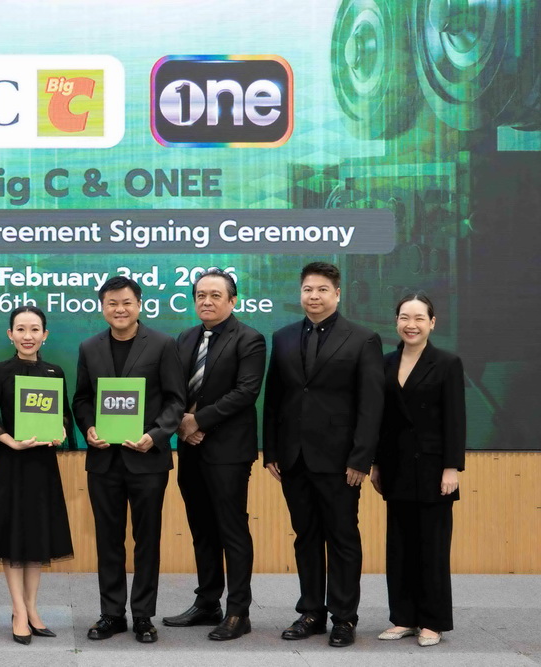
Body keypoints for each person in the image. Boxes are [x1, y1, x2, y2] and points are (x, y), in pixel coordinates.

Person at [262, 262, 384, 648]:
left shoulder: (363, 339)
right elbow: (274, 398)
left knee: (343, 538)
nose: (313, 296)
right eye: (307, 290)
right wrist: (271, 450)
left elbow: (371, 404)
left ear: (337, 294)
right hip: (293, 458)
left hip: (341, 462)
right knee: (306, 537)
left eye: (322, 290)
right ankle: (311, 612)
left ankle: (344, 617)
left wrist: (361, 458)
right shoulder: (282, 337)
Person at [72, 275, 185, 644]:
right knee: (108, 540)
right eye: (112, 303)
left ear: (139, 305)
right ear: (102, 307)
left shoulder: (163, 345)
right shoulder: (89, 347)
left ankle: (143, 616)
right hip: (104, 460)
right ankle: (111, 614)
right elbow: (82, 399)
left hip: (147, 460)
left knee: (146, 540)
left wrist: (155, 435)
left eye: (126, 303)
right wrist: (88, 427)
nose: (119, 309)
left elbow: (176, 400)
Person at [165, 269, 265, 641]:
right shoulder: (186, 337)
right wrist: (181, 422)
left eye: (215, 295)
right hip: (189, 449)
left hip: (228, 452)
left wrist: (199, 420)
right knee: (202, 529)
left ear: (232, 300)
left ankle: (239, 611)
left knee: (232, 530)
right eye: (200, 295)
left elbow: (246, 391)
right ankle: (208, 603)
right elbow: (173, 388)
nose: (206, 301)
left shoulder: (249, 339)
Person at [0, 306, 75, 645]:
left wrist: (60, 429)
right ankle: (18, 610)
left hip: (42, 465)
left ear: (45, 334)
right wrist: (11, 442)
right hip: (10, 463)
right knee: (12, 537)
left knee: (36, 537)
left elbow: (63, 414)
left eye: (34, 329)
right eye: (20, 329)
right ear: (10, 334)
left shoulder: (54, 371)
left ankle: (32, 608)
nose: (27, 336)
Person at [372, 293, 465, 647]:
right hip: (395, 467)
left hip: (433, 468)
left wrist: (451, 468)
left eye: (419, 318)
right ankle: (403, 618)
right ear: (396, 321)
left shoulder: (447, 362)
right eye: (404, 318)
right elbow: (380, 420)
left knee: (432, 547)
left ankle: (432, 621)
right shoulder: (384, 362)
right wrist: (376, 463)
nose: (411, 325)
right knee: (399, 546)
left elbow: (455, 419)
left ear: (432, 323)